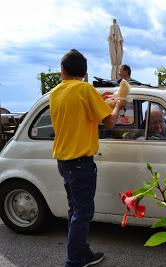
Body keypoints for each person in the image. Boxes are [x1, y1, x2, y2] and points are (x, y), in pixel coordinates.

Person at [49, 49, 125, 267]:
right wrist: (119, 105)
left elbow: (77, 112)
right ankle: (74, 261)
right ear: (84, 72)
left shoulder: (56, 93)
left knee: (75, 211)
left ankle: (82, 253)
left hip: (63, 162)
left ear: (62, 70)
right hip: (81, 163)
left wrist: (99, 100)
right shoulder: (84, 89)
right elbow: (109, 122)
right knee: (83, 214)